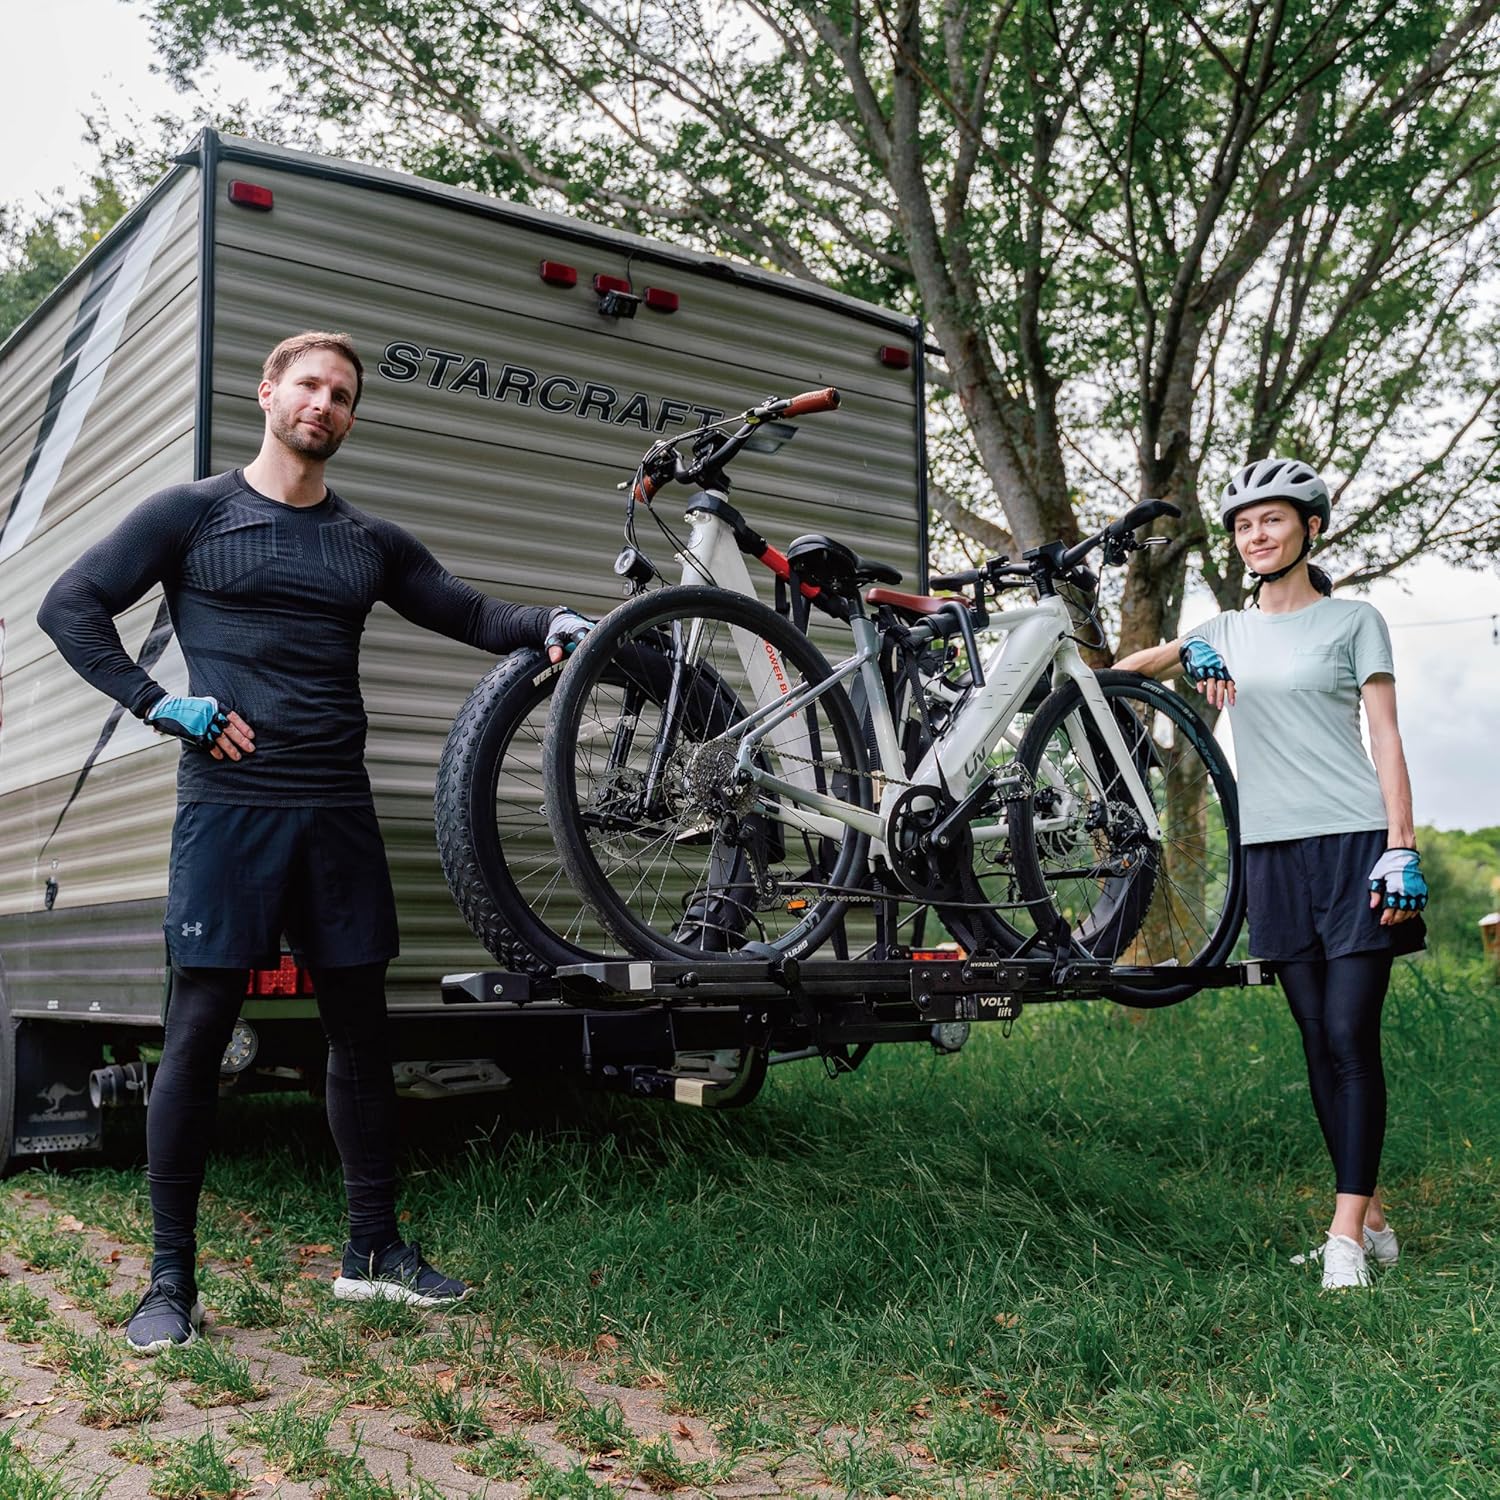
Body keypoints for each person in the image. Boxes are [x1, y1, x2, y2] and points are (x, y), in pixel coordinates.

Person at [37, 331, 593, 1351]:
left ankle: (372, 1252)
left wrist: (550, 622)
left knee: (362, 1034)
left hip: (336, 806)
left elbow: (469, 610)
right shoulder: (190, 514)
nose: (324, 405)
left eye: (341, 394)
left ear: (349, 416)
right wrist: (161, 705)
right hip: (229, 808)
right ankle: (169, 1282)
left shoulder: (367, 541)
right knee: (198, 1033)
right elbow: (68, 606)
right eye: (309, 386)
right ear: (268, 393)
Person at [1115, 457, 1426, 1292]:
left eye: (1273, 519)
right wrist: (1181, 653)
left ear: (1310, 527)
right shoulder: (1225, 629)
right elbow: (1127, 672)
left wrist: (1402, 844)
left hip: (1356, 841)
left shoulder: (1356, 621)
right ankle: (1372, 1221)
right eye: (1245, 525)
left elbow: (1386, 736)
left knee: (1350, 1035)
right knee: (1316, 1040)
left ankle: (1342, 1238)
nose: (1257, 535)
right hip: (1271, 851)